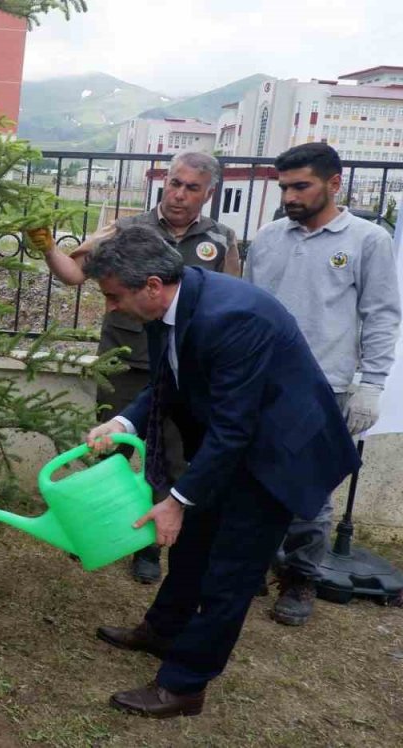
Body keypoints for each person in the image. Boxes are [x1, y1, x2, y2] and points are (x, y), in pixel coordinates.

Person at [82, 224, 357, 718]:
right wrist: (123, 419)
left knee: (229, 573)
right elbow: (169, 376)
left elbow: (235, 429)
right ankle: (163, 630)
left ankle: (185, 686)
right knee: (193, 548)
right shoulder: (167, 301)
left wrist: (177, 500)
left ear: (150, 285)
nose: (111, 308)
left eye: (113, 296)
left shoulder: (232, 317)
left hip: (279, 455)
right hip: (236, 443)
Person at [41, 151, 240, 584]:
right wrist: (46, 246)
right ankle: (93, 527)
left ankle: (147, 545)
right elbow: (74, 275)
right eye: (173, 183)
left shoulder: (221, 238)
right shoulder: (128, 229)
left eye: (191, 188)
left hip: (181, 370)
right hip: (126, 361)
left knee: (169, 461)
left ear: (208, 193)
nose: (178, 194)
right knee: (108, 448)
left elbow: (228, 295)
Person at [244, 143, 400, 626]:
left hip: (322, 387)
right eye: (284, 186)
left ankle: (301, 577)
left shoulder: (367, 240)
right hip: (259, 382)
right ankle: (251, 567)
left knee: (308, 492)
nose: (289, 196)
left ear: (334, 184)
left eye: (301, 186)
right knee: (249, 480)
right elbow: (247, 309)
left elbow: (380, 316)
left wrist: (370, 384)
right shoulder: (269, 238)